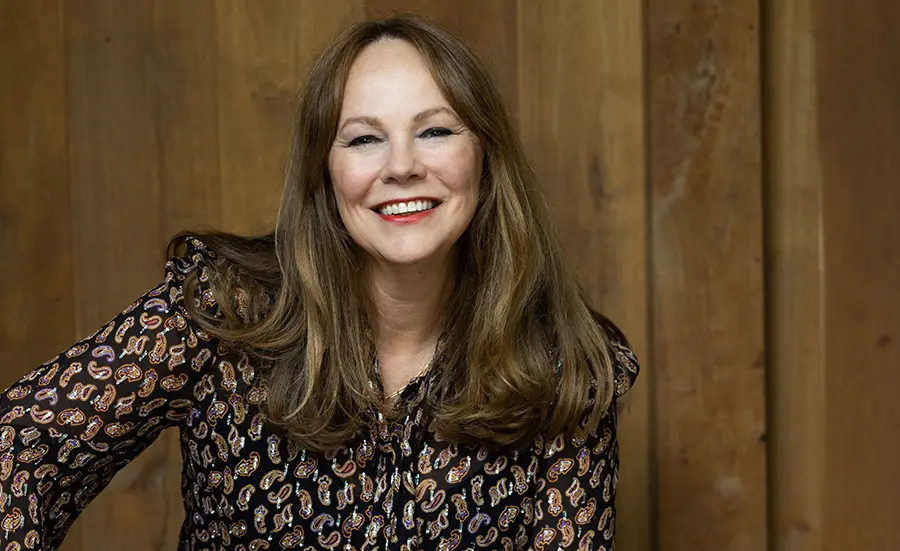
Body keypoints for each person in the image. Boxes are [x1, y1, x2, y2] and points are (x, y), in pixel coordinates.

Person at [0, 14, 638, 551]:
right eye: (364, 139)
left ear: (485, 158)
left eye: (435, 131)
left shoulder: (563, 369)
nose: (402, 166)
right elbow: (17, 448)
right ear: (324, 172)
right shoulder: (226, 314)